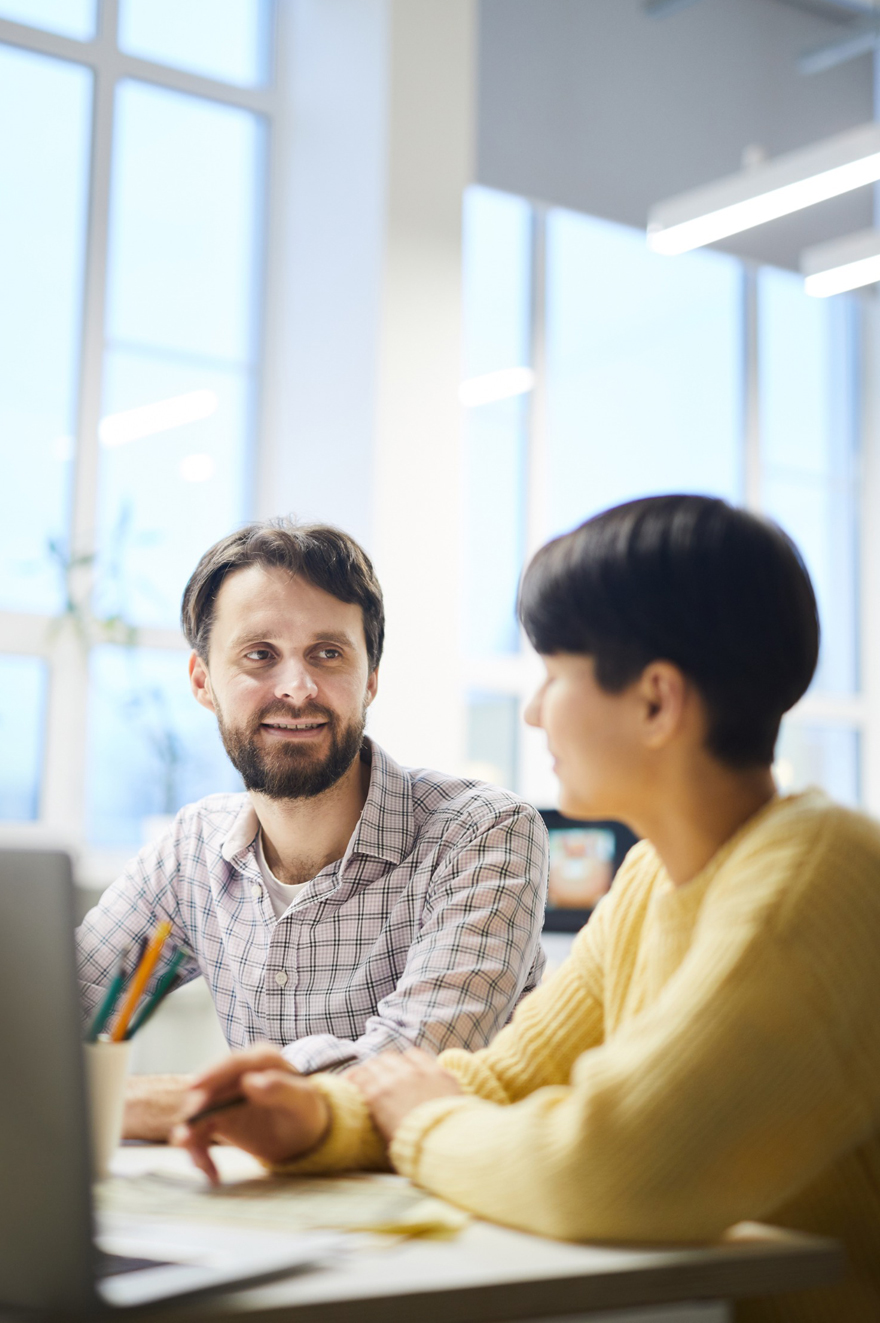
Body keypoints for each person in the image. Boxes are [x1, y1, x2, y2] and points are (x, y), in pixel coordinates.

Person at [175, 495, 880, 1323]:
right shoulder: (658, 875)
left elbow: (608, 1169)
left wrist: (426, 1122)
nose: (534, 710)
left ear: (656, 701)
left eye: (554, 675)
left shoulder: (817, 874)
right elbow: (506, 1080)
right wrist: (317, 1117)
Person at [77, 520, 547, 1139]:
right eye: (259, 655)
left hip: (445, 1208)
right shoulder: (192, 850)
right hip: (269, 1212)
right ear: (201, 680)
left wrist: (162, 1103)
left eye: (328, 654)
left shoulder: (483, 834)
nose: (297, 689)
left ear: (370, 678)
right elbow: (48, 1018)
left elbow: (410, 1072)